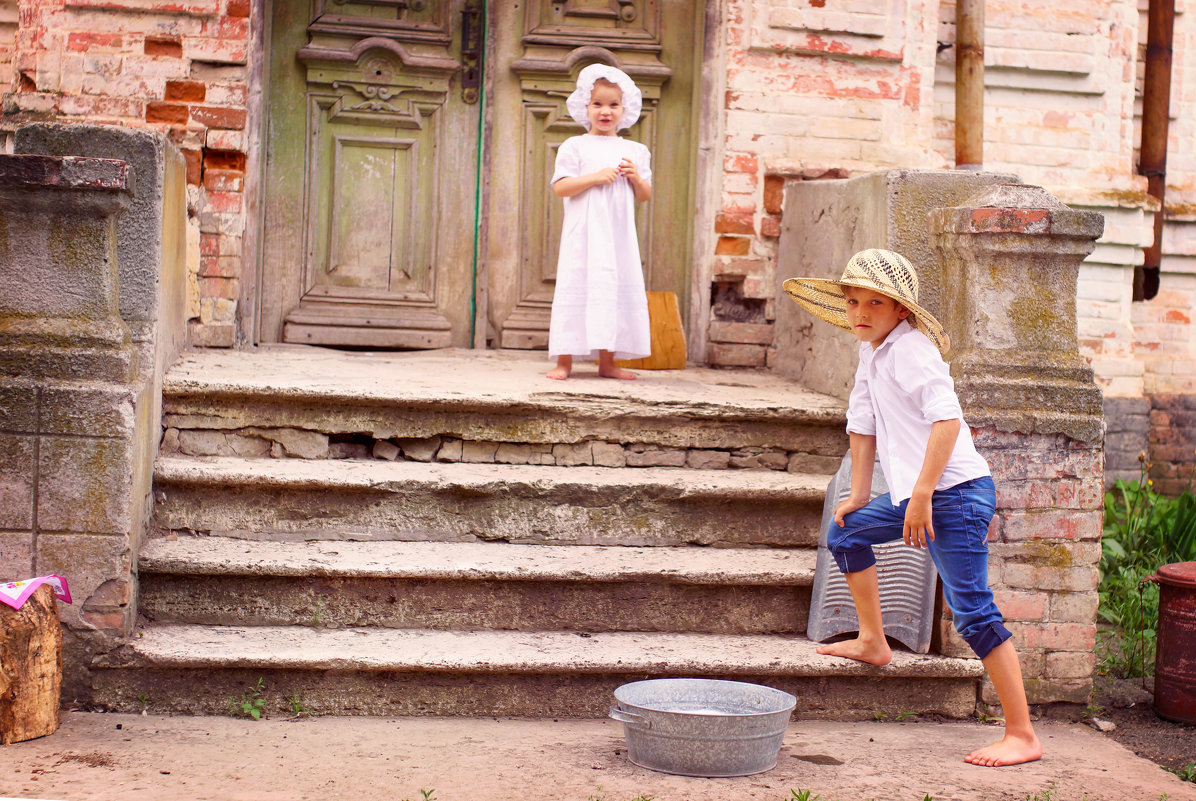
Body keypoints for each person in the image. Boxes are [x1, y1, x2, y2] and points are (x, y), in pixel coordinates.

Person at [783, 248, 1042, 767]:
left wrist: (921, 494)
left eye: (875, 302)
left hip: (958, 495)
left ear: (901, 310)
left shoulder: (912, 350)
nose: (860, 312)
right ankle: (873, 640)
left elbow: (946, 422)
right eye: (854, 301)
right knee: (848, 532)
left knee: (972, 612)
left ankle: (1022, 735)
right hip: (921, 494)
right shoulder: (872, 350)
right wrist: (858, 493)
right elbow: (862, 423)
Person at [546, 63, 652, 380]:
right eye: (598, 104)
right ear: (586, 106)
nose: (605, 112)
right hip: (583, 233)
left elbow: (644, 195)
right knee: (576, 282)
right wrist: (593, 178)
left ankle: (607, 362)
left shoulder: (635, 150)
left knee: (611, 287)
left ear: (625, 108)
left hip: (617, 234)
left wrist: (635, 178)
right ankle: (564, 362)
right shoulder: (574, 146)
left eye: (613, 105)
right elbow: (560, 186)